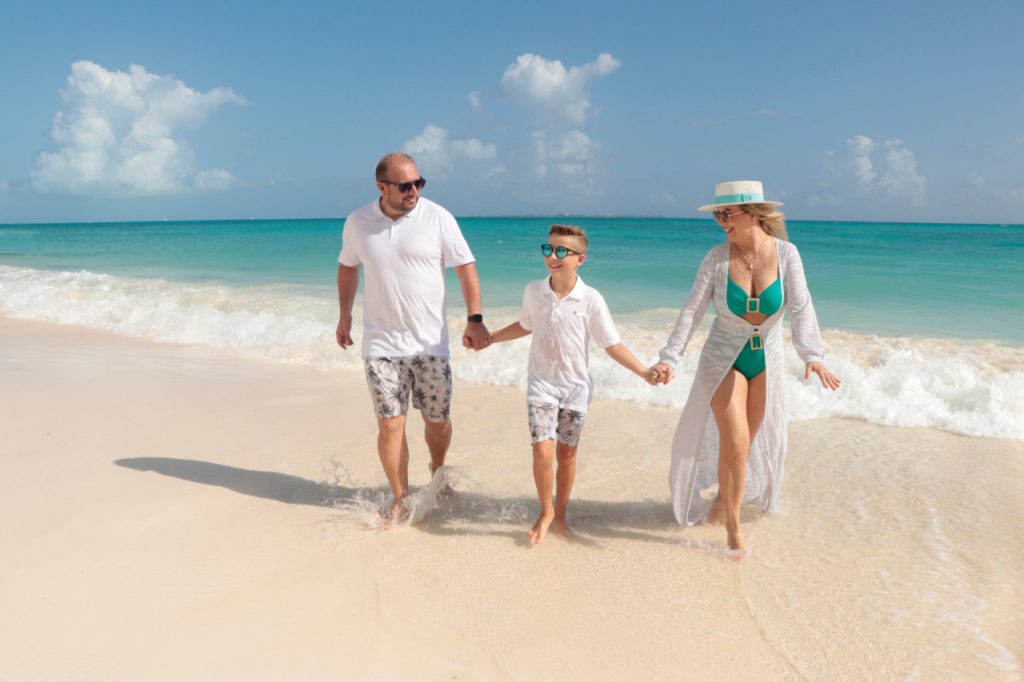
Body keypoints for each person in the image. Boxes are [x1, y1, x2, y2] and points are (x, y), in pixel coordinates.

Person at [649, 181, 840, 558]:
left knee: (745, 446)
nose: (720, 222)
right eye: (717, 215)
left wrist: (811, 354)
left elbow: (801, 305)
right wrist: (669, 357)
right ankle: (734, 532)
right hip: (723, 359)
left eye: (726, 214)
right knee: (734, 442)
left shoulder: (786, 254)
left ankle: (723, 501)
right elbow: (691, 310)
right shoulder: (716, 259)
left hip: (766, 359)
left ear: (753, 214)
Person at [336, 152, 491, 523]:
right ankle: (400, 498)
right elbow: (347, 267)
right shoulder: (358, 222)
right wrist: (344, 317)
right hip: (381, 344)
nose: (413, 191)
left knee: (436, 422)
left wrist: (475, 319)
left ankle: (438, 471)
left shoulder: (438, 217)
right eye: (405, 185)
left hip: (430, 344)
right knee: (390, 423)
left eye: (419, 183)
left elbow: (466, 267)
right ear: (382, 187)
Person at [487, 224, 658, 544]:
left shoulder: (591, 299)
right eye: (549, 249)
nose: (553, 256)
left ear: (580, 259)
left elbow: (612, 344)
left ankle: (562, 513)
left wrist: (644, 372)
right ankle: (545, 511)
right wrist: (491, 338)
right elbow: (525, 325)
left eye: (562, 251)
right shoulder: (533, 291)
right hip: (541, 384)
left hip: (576, 388)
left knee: (566, 454)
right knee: (542, 450)